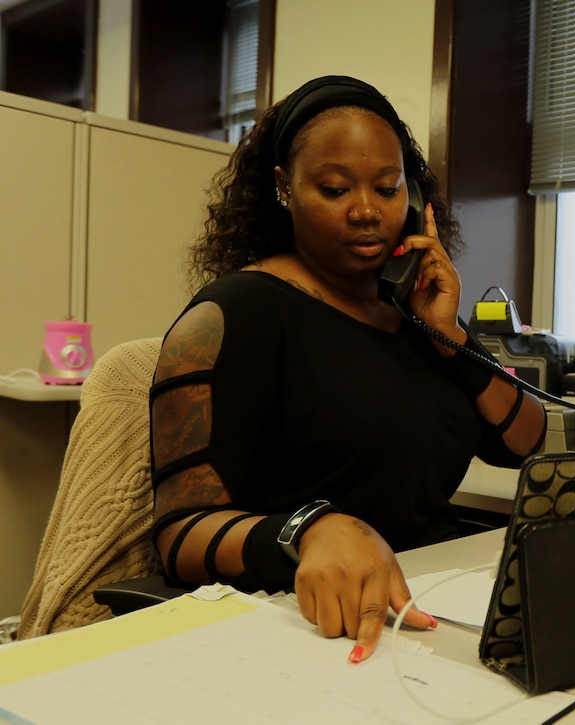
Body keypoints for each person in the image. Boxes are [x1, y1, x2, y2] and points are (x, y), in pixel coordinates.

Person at [148, 75, 546, 664]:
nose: (366, 211)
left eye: (387, 188)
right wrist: (307, 529)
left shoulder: (412, 314)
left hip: (430, 612)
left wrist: (448, 333)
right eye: (334, 190)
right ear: (285, 188)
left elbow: (524, 443)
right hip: (304, 623)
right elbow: (180, 531)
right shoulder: (232, 315)